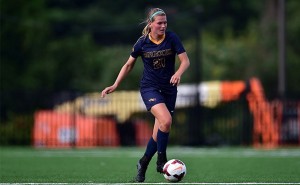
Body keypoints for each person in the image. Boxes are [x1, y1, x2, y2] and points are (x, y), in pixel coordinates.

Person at [101, 8, 190, 182]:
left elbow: (185, 61)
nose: (163, 26)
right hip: (150, 88)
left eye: (165, 22)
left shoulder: (171, 38)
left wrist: (178, 73)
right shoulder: (142, 43)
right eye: (159, 23)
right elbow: (128, 65)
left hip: (169, 89)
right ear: (150, 24)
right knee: (166, 121)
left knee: (160, 131)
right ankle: (161, 160)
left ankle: (143, 163)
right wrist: (115, 84)